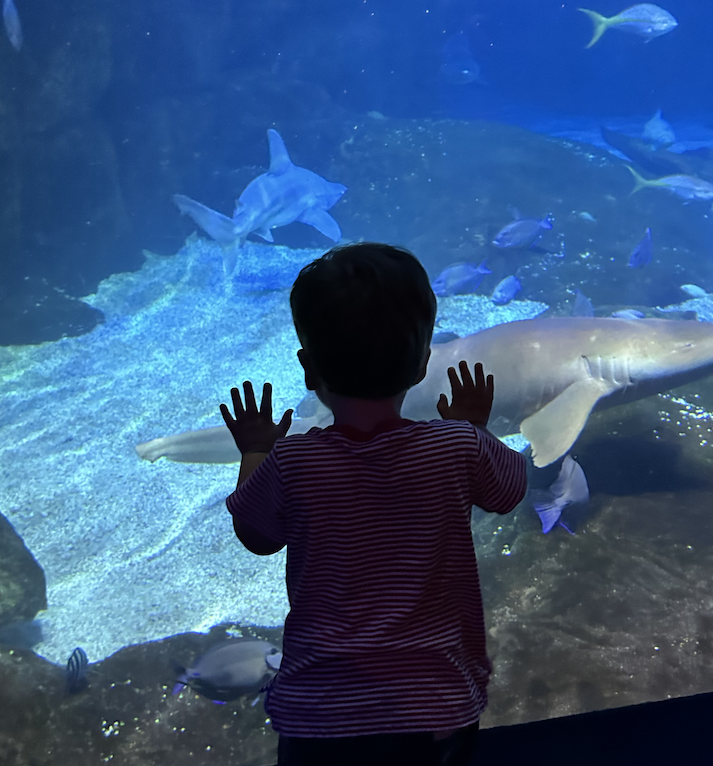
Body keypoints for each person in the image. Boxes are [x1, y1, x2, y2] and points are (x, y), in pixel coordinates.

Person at [222, 242, 527, 766]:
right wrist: (474, 429)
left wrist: (254, 451)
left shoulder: (293, 461)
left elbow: (257, 536)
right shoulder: (455, 447)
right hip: (435, 707)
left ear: (308, 371)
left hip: (319, 713)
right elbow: (507, 492)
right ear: (422, 364)